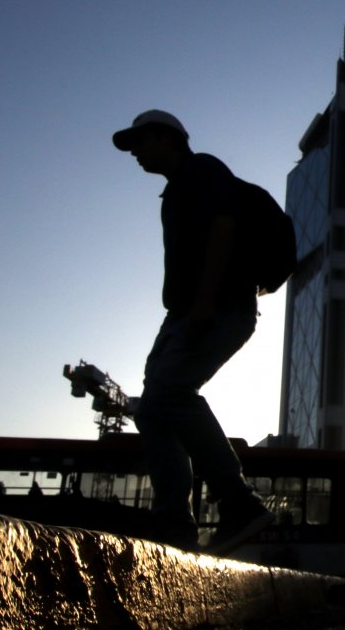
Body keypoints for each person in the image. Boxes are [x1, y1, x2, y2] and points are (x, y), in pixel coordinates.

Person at [112, 109, 272, 555]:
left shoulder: (202, 170)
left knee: (171, 395)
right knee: (151, 410)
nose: (135, 155)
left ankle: (238, 503)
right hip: (185, 313)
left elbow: (225, 226)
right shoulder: (176, 191)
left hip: (216, 308)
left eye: (140, 143)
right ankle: (174, 524)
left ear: (167, 138)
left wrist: (204, 301)